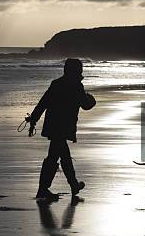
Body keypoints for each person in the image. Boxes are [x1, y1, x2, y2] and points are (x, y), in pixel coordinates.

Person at [27, 58, 96, 201]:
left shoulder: (56, 84)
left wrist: (33, 118)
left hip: (53, 126)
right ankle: (44, 189)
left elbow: (43, 102)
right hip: (64, 127)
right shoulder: (76, 86)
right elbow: (86, 105)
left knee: (60, 156)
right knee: (56, 157)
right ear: (78, 70)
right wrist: (92, 99)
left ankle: (71, 185)